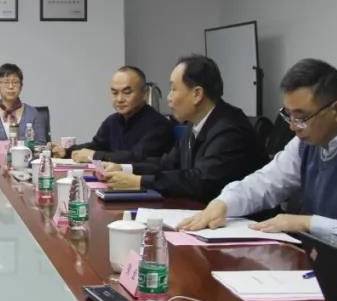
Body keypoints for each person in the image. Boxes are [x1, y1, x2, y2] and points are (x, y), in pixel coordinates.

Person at [179, 59, 337, 268]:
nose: (293, 127)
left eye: (302, 117)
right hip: (320, 269)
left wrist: (307, 223)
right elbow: (266, 182)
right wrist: (224, 203)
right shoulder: (308, 142)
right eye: (289, 115)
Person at [97, 55, 267, 204]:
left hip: (244, 222)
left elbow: (200, 181)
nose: (169, 98)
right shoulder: (193, 125)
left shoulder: (230, 129)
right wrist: (125, 169)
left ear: (197, 94)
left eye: (173, 89)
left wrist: (139, 182)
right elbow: (167, 164)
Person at [50, 66, 174, 163]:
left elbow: (136, 157)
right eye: (114, 93)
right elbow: (97, 146)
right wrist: (66, 152)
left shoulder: (158, 125)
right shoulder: (112, 121)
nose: (119, 99)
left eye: (127, 92)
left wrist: (94, 156)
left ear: (144, 93)